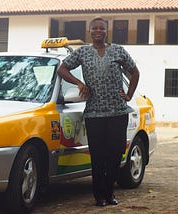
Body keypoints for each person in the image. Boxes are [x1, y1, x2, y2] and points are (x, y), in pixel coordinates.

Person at [57, 17, 140, 206]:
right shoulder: (83, 52)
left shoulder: (118, 50)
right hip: (94, 113)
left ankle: (110, 193)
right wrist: (79, 83)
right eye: (94, 28)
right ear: (89, 31)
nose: (98, 31)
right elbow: (62, 69)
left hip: (118, 112)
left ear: (106, 30)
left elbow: (135, 72)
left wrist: (128, 94)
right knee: (98, 155)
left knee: (115, 154)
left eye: (101, 28)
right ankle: (99, 195)